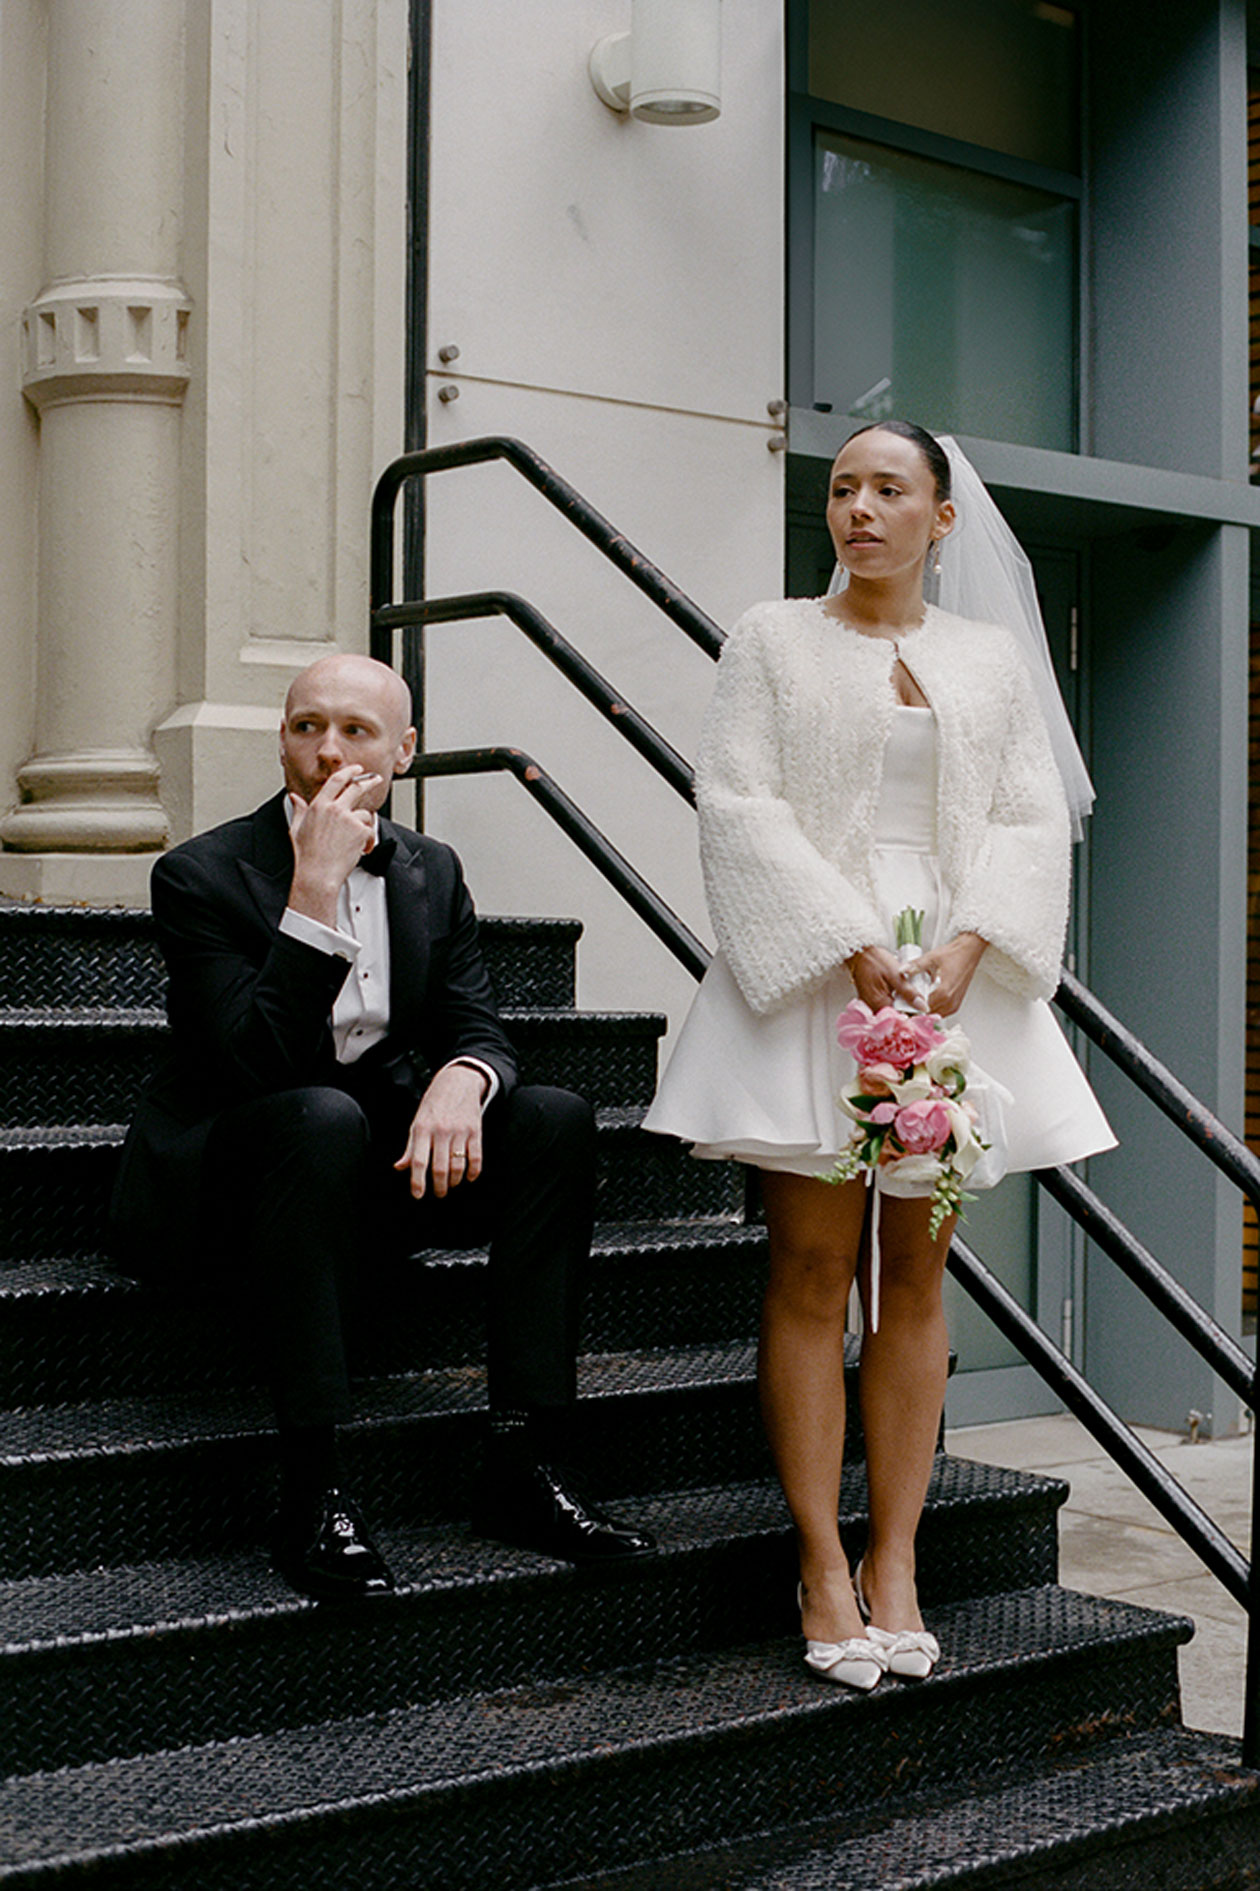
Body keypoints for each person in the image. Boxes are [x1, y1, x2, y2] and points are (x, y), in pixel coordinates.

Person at [644, 421, 1113, 1689]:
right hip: (818, 965)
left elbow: (1028, 817)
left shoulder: (992, 659)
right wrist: (850, 944)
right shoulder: (771, 639)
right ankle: (816, 1556)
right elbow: (736, 799)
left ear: (940, 518)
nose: (859, 509)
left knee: (915, 1267)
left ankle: (896, 1555)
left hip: (951, 971)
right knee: (809, 1266)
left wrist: (968, 951)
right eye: (843, 488)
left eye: (887, 489)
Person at [111, 652, 654, 1601]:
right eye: (306, 726)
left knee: (551, 1119)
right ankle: (313, 1488)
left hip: (360, 1171)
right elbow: (252, 1069)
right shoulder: (199, 874)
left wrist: (465, 1074)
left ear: (403, 751)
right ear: (281, 737)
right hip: (223, 1181)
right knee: (319, 1115)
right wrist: (313, 895)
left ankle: (521, 1462)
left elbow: (478, 1021)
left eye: (355, 732)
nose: (327, 753)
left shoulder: (429, 871)